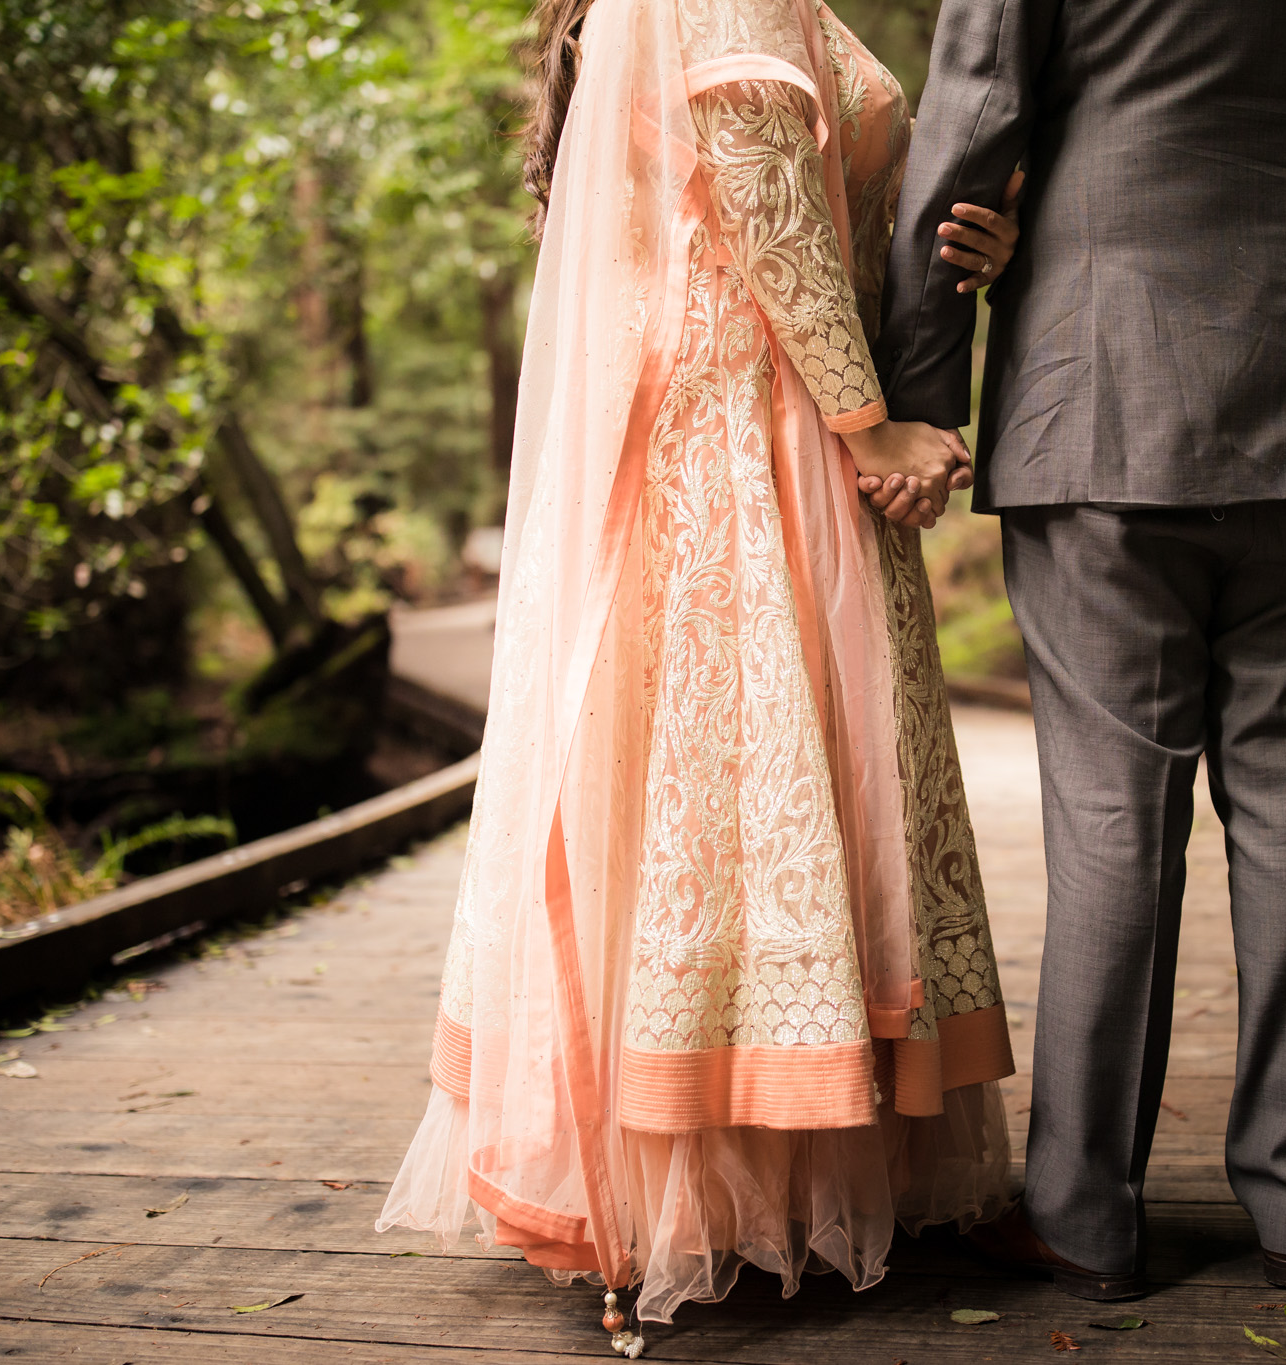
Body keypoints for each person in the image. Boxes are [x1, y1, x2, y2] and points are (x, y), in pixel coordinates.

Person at [377, 0, 1025, 1332]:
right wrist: (867, 424)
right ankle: (713, 1178)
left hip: (759, 394)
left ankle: (768, 1163)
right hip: (747, 421)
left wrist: (973, 241)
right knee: (725, 771)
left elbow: (835, 201)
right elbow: (763, 202)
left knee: (740, 785)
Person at [871, 0, 1286, 1300]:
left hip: (1106, 395)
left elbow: (972, 123)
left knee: (1111, 817)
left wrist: (920, 392)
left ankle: (1088, 1217)